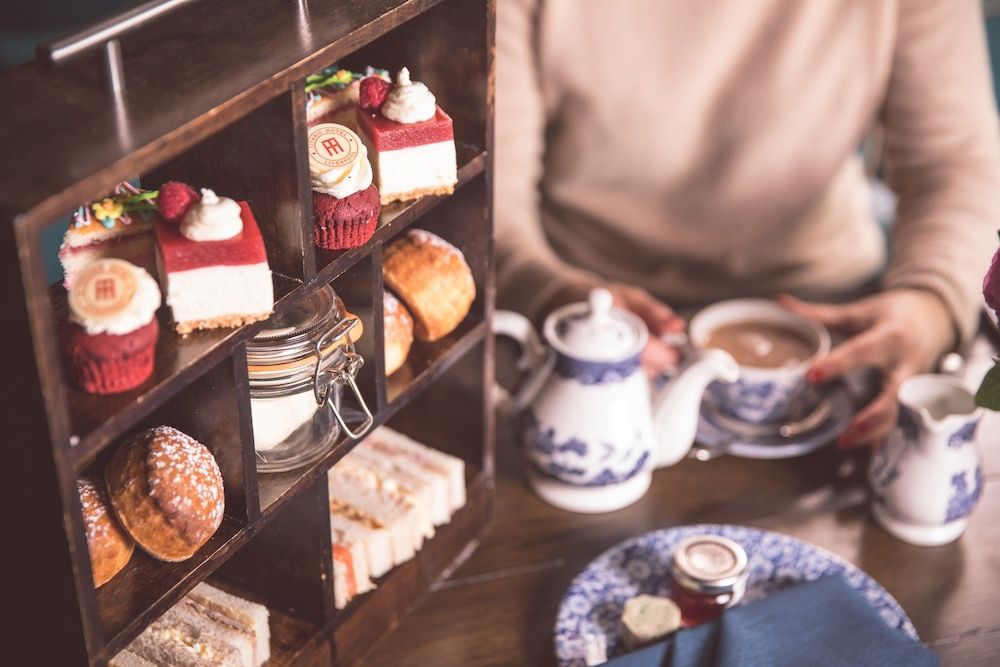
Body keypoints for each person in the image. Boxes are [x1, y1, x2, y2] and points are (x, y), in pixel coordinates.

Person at [496, 0, 1000, 448]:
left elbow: (957, 162)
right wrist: (552, 293)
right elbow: (484, 184)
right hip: (589, 314)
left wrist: (931, 304)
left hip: (840, 318)